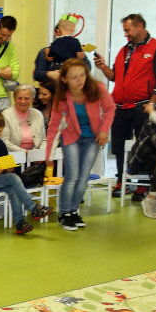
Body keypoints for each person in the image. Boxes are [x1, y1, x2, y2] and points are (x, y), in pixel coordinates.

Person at [93, 13, 156, 200]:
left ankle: (142, 186)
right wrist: (103, 67)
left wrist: (151, 105)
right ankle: (122, 181)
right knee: (118, 147)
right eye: (124, 31)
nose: (125, 34)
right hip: (120, 106)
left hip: (142, 106)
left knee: (144, 147)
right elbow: (115, 76)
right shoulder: (124, 50)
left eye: (128, 30)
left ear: (140, 26)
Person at [45, 59, 115, 231]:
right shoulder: (62, 97)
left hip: (92, 138)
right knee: (72, 175)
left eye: (82, 75)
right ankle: (64, 214)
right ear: (64, 79)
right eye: (74, 77)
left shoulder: (98, 88)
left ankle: (73, 210)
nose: (79, 80)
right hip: (71, 137)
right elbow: (53, 126)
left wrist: (104, 130)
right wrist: (49, 154)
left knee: (83, 176)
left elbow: (110, 108)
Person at [0, 111, 53, 234]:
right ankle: (33, 207)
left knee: (12, 188)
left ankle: (20, 223)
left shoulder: (0, 144)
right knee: (13, 178)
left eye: (0, 131)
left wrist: (9, 168)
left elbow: (6, 163)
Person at [1, 84, 47, 152]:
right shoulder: (6, 114)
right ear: (14, 98)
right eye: (19, 98)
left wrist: (39, 153)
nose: (23, 101)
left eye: (26, 98)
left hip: (35, 155)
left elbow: (43, 140)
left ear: (32, 99)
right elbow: (4, 141)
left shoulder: (38, 114)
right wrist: (25, 153)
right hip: (13, 154)